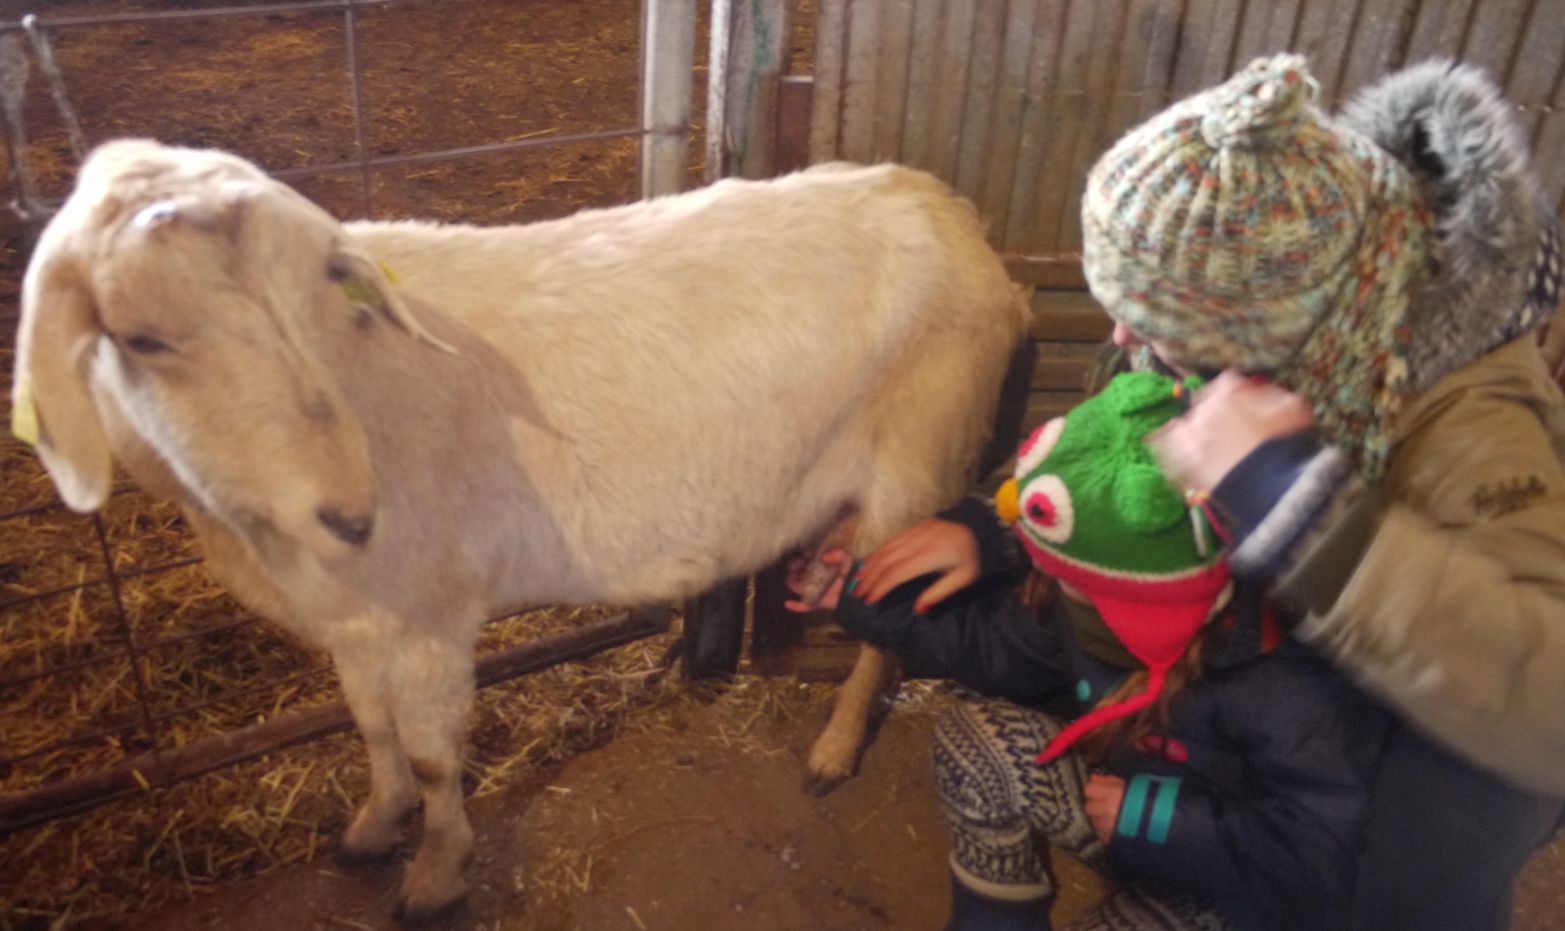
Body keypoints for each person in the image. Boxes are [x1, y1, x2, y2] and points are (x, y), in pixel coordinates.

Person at [800, 53, 1565, 930]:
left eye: (1157, 317)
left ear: (1265, 323)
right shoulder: (1236, 284)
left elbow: (1541, 708)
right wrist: (1001, 521)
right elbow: (1117, 439)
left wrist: (1293, 509)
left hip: (1383, 805)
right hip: (1209, 750)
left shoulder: (1467, 420)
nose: (1121, 331)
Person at [797, 368, 1391, 930]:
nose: (1057, 588)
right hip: (1127, 810)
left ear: (1141, 591)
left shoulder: (1286, 682)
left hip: (1229, 891)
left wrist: (1152, 820)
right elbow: (998, 651)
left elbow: (1323, 858)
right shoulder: (1089, 610)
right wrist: (863, 599)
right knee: (974, 742)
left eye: (1073, 580)